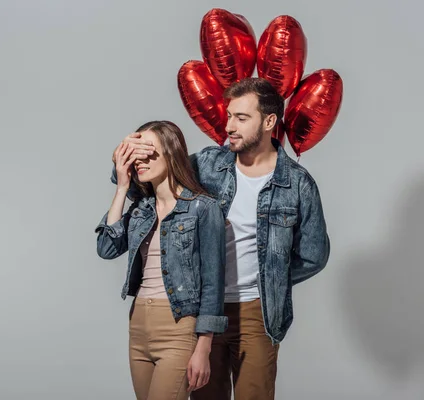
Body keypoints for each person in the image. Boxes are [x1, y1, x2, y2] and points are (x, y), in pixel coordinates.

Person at [112, 78, 330, 400]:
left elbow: (314, 254)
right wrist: (128, 157)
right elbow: (147, 185)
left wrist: (270, 279)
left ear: (269, 122)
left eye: (242, 118)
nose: (229, 126)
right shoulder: (206, 165)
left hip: (258, 314)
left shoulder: (297, 184)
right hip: (200, 313)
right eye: (229, 116)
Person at [95, 120, 228, 399]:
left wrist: (203, 347)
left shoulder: (204, 208)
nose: (140, 161)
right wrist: (121, 186)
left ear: (170, 152)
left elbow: (213, 283)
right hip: (140, 324)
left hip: (178, 327)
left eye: (147, 152)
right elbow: (106, 248)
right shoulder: (141, 210)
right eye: (135, 154)